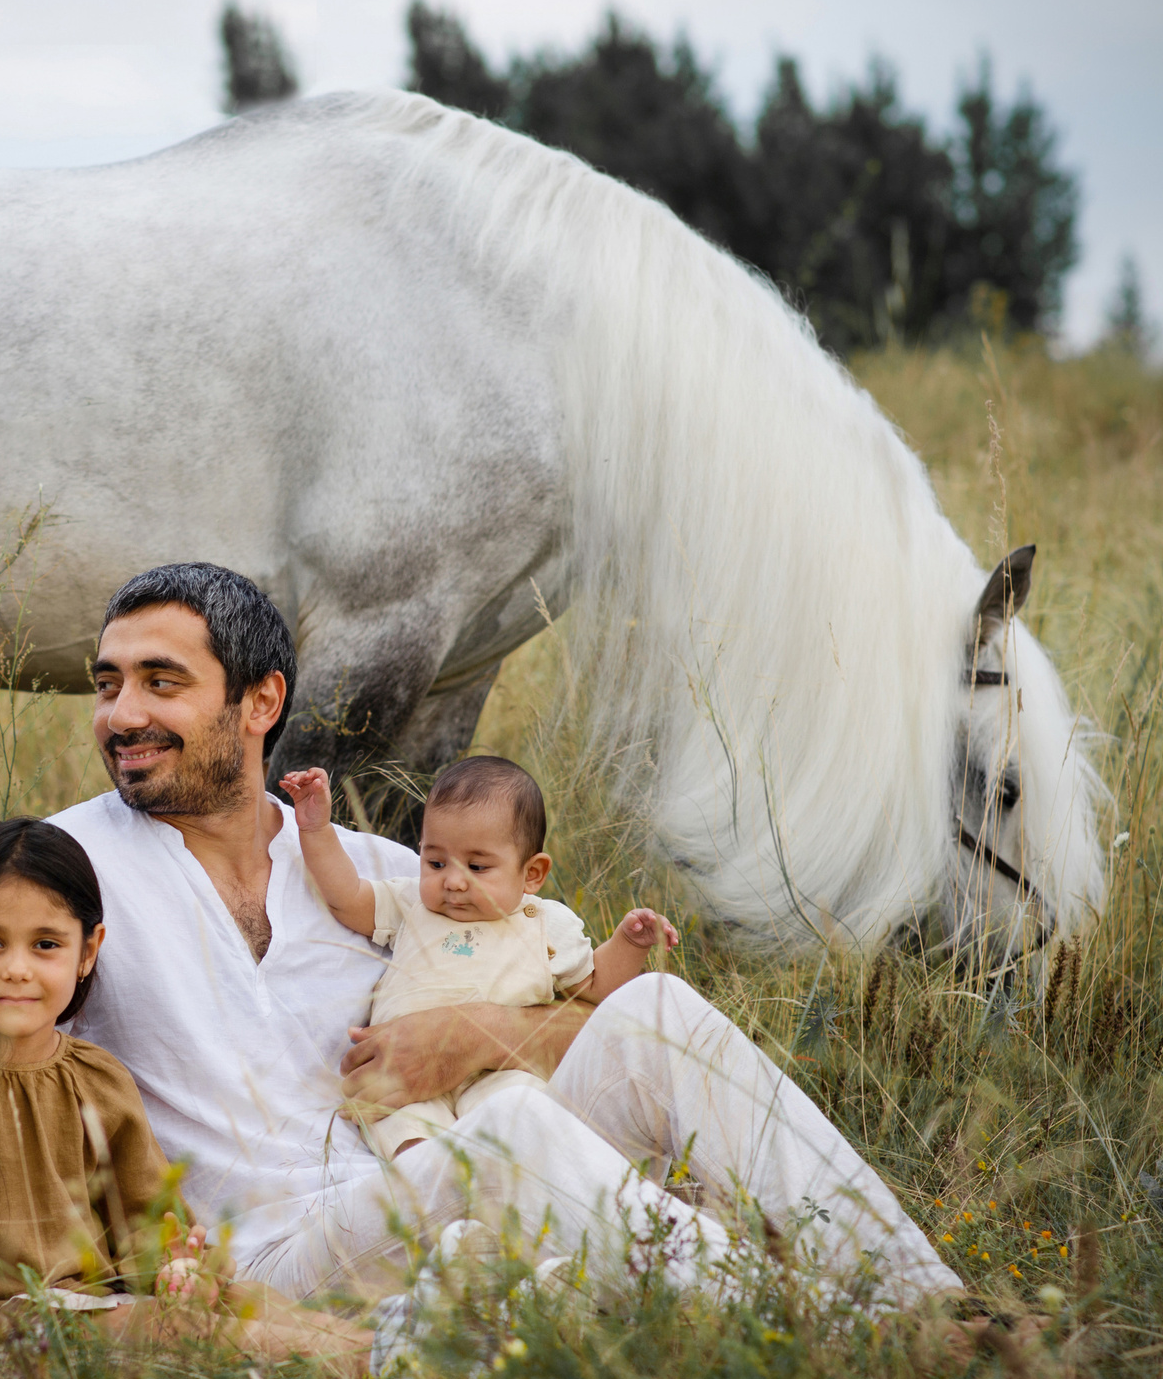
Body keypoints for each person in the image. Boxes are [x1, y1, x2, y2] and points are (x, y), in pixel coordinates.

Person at [51, 561, 966, 1313]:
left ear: (260, 702)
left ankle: (932, 1304)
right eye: (108, 684)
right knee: (512, 1127)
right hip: (276, 1257)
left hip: (434, 1195)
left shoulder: (387, 872)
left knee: (648, 1007)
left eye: (160, 682)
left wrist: (475, 1036)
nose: (121, 714)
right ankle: (836, 1330)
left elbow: (566, 1005)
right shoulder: (60, 867)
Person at [0, 816, 370, 1364]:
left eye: (46, 944)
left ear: (88, 951)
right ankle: (375, 1363)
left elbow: (149, 1231)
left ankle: (388, 1349)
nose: (17, 969)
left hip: (96, 1307)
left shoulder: (96, 1079)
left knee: (238, 1299)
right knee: (168, 1328)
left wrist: (180, 1266)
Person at [279, 754, 678, 1159]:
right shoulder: (411, 905)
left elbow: (596, 991)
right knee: (409, 1140)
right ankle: (439, 1198)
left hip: (500, 1072)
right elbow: (347, 897)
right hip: (403, 1076)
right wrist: (316, 829)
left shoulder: (545, 925)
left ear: (532, 874)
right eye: (435, 862)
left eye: (477, 866)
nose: (452, 881)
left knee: (521, 1115)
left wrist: (629, 945)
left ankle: (512, 1197)